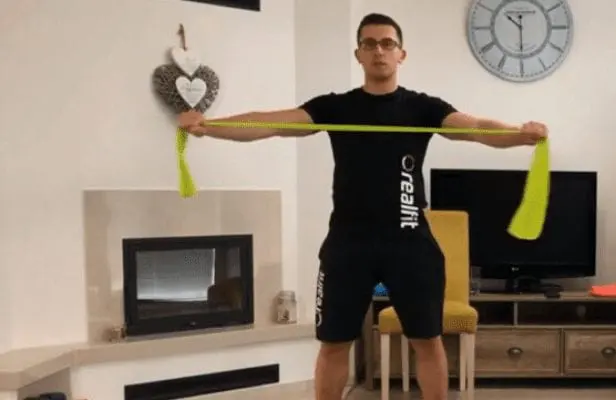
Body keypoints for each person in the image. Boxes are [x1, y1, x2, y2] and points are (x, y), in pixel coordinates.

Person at [177, 13, 548, 400]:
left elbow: (476, 128)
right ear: (358, 54)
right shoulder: (336, 107)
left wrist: (520, 135)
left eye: (387, 43)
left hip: (410, 242)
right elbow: (268, 123)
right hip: (348, 243)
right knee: (334, 344)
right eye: (369, 44)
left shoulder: (423, 108)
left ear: (401, 54)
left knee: (427, 341)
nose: (379, 51)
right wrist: (208, 126)